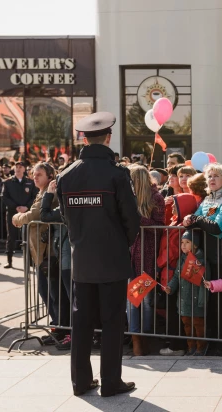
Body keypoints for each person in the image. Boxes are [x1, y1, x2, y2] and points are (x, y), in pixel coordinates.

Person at [57, 112, 140, 397]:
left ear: (84, 138)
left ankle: (81, 382)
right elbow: (132, 219)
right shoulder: (117, 174)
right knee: (112, 322)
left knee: (81, 324)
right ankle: (110, 381)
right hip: (112, 260)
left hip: (82, 259)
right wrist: (121, 243)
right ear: (108, 137)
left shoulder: (65, 176)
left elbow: (67, 218)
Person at [182, 163, 222, 355]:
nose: (212, 179)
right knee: (210, 301)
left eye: (217, 176)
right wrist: (189, 219)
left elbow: (217, 227)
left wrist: (196, 219)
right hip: (209, 256)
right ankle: (213, 342)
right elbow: (197, 220)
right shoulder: (208, 199)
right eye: (209, 176)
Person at [13, 163, 65, 338]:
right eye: (34, 174)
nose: (35, 177)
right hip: (41, 253)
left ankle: (60, 328)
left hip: (49, 252)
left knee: (52, 293)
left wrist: (17, 217)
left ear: (50, 176)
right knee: (47, 292)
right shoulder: (41, 193)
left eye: (39, 174)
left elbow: (33, 215)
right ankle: (57, 326)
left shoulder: (51, 193)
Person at [127, 164, 166, 355]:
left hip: (147, 253)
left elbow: (160, 226)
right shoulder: (128, 198)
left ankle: (146, 335)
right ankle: (135, 338)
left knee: (146, 299)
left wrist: (139, 218)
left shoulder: (156, 198)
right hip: (129, 253)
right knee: (133, 298)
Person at [39, 178, 73, 350]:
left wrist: (48, 195)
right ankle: (69, 333)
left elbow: (43, 215)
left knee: (72, 299)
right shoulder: (73, 203)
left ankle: (72, 335)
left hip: (68, 260)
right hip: (67, 258)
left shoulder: (68, 206)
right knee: (67, 299)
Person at [164, 230, 210, 356]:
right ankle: (191, 347)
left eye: (187, 242)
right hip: (184, 300)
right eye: (182, 242)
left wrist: (202, 300)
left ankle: (201, 347)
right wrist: (170, 288)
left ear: (195, 245)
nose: (183, 245)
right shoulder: (181, 260)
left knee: (198, 325)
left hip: (196, 301)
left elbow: (204, 283)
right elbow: (176, 277)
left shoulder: (201, 261)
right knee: (187, 325)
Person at [2, 161, 38, 268]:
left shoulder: (30, 182)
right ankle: (9, 260)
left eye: (20, 167)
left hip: (27, 212)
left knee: (28, 236)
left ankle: (31, 261)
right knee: (11, 236)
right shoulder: (8, 182)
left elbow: (35, 197)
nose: (18, 168)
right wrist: (16, 207)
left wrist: (27, 207)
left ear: (24, 169)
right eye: (16, 167)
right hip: (13, 212)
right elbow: (5, 197)